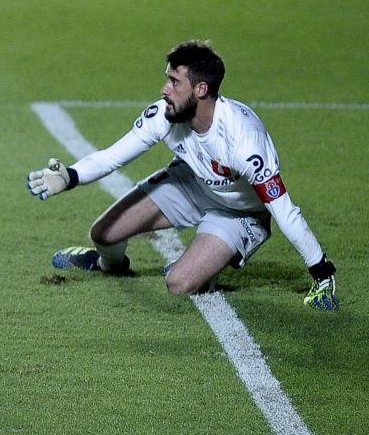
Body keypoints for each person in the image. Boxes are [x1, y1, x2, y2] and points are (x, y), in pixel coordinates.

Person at [26, 40, 339, 310]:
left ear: (201, 89)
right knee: (103, 235)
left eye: (174, 82)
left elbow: (284, 210)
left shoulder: (243, 141)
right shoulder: (166, 114)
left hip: (238, 212)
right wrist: (70, 175)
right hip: (191, 183)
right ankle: (108, 265)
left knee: (179, 283)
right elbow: (112, 156)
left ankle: (207, 266)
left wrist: (321, 271)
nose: (165, 90)